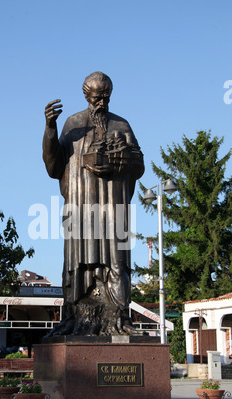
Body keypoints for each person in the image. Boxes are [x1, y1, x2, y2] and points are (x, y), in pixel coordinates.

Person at [43, 72, 144, 336]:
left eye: (106, 96)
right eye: (97, 96)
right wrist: (50, 130)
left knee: (117, 261)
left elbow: (138, 164)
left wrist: (115, 161)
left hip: (113, 206)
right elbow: (54, 167)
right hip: (82, 206)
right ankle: (78, 314)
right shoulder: (73, 124)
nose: (101, 102)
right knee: (80, 258)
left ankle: (118, 317)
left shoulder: (121, 125)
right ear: (87, 95)